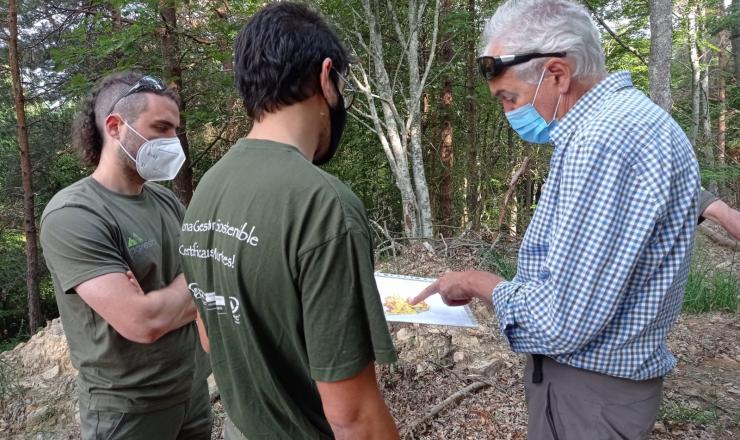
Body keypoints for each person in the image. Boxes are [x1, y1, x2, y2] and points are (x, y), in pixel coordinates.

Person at [411, 1, 700, 438]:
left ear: (558, 74)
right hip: (600, 389)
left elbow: (562, 320)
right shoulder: (634, 122)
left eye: (510, 98)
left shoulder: (603, 140)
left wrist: (476, 282)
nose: (509, 113)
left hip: (589, 395)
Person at [179, 3, 398, 440]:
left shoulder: (208, 188)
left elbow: (210, 336)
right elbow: (353, 417)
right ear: (325, 77)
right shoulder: (324, 205)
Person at [40, 72, 211, 439]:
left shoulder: (165, 199)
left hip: (191, 392)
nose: (173, 142)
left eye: (175, 130)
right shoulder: (74, 214)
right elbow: (142, 323)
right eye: (161, 127)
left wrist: (166, 297)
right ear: (115, 127)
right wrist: (200, 275)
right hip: (128, 410)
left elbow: (191, 288)